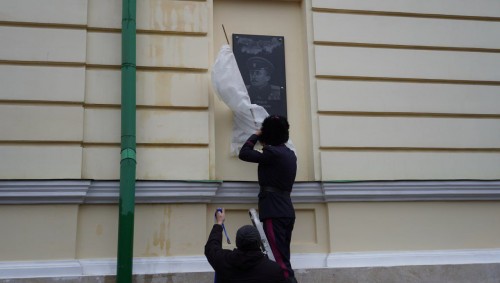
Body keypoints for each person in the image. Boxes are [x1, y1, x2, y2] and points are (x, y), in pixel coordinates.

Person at [238, 115, 298, 283]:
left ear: (269, 134)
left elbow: (244, 153)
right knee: (282, 258)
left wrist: (257, 134)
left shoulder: (272, 153)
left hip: (274, 210)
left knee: (279, 262)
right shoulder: (289, 153)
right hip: (285, 210)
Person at [205, 208, 286, 283]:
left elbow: (211, 247)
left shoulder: (223, 261)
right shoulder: (274, 270)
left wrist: (219, 223)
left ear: (237, 242)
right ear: (258, 243)